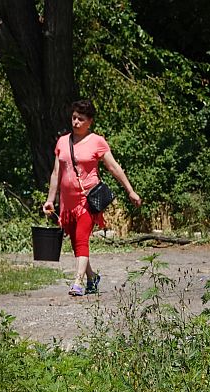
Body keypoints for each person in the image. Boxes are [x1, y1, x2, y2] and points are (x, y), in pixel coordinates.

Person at [42, 99, 141, 296]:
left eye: (81, 119)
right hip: (67, 203)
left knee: (81, 240)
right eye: (74, 118)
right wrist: (50, 200)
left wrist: (130, 190)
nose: (75, 122)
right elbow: (56, 172)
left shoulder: (97, 141)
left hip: (88, 199)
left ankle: (77, 282)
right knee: (75, 243)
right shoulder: (62, 142)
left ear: (90, 122)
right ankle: (92, 277)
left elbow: (113, 167)